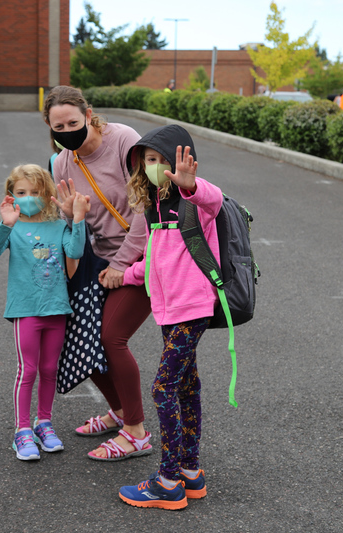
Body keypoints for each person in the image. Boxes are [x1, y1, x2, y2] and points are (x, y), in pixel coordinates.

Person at [42, 85, 153, 461]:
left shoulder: (123, 140)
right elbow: (67, 222)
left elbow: (146, 205)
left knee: (111, 337)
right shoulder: (61, 162)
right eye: (59, 126)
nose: (67, 130)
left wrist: (123, 264)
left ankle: (136, 433)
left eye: (73, 121)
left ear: (88, 116)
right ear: (50, 127)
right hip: (96, 261)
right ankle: (120, 412)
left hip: (142, 259)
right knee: (82, 338)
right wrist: (73, 216)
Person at [116, 124, 221, 510]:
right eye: (150, 160)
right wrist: (123, 275)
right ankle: (191, 471)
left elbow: (216, 200)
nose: (157, 166)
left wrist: (191, 184)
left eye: (163, 160)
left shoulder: (193, 200)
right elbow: (156, 260)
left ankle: (167, 480)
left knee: (163, 388)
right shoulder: (154, 206)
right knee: (186, 385)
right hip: (168, 309)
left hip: (191, 309)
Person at [0, 164, 90, 461]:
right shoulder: (13, 225)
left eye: (36, 192)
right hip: (26, 309)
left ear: (48, 195)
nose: (29, 197)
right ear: (11, 195)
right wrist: (5, 224)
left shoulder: (58, 225)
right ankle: (22, 431)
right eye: (21, 192)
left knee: (49, 369)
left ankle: (44, 422)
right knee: (27, 370)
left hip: (56, 308)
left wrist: (78, 219)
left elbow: (76, 252)